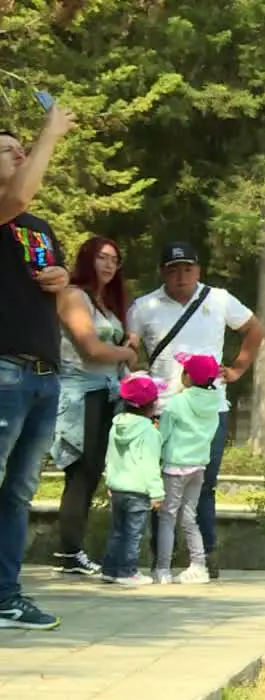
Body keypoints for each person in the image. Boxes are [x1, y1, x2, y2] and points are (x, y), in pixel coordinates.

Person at [127, 241, 265, 579]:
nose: (181, 276)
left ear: (199, 270)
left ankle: (205, 556)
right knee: (160, 485)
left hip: (208, 410)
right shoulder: (144, 307)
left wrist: (237, 369)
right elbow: (130, 349)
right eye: (173, 269)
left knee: (203, 484)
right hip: (162, 409)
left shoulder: (218, 299)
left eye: (188, 268)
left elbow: (254, 329)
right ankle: (162, 557)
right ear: (163, 272)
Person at [0, 105, 80, 630]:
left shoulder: (39, 227)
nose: (20, 152)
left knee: (20, 492)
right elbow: (18, 196)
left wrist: (62, 277)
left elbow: (53, 291)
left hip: (44, 375)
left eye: (21, 147)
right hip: (3, 370)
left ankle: (5, 597)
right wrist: (50, 131)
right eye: (8, 150)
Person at [51, 236, 138, 575]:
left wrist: (125, 348)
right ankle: (69, 552)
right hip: (78, 394)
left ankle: (74, 550)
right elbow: (91, 349)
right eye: (102, 257)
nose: (108, 264)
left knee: (91, 474)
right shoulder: (74, 296)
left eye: (114, 260)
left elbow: (110, 349)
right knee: (80, 473)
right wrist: (127, 353)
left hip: (105, 393)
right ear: (88, 259)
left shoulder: (105, 304)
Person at [154, 353, 222, 585]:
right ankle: (198, 566)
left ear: (188, 377)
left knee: (167, 517)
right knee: (189, 517)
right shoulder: (215, 404)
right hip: (198, 466)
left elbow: (163, 435)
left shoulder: (177, 402)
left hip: (175, 466)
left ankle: (163, 569)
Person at [100, 375, 164, 587]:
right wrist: (157, 493)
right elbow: (150, 465)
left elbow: (110, 456)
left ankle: (110, 570)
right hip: (138, 491)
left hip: (117, 488)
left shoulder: (116, 426)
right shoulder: (150, 433)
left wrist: (109, 481)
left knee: (117, 531)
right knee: (134, 534)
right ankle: (128, 572)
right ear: (152, 405)